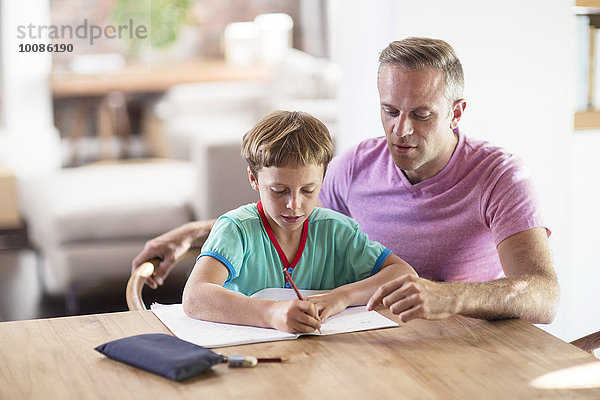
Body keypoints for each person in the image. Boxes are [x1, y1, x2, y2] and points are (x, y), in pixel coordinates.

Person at [133, 37, 559, 325]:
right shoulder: (355, 166)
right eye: (390, 111)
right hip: (375, 340)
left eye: (421, 114)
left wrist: (449, 297)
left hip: (469, 344)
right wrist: (195, 236)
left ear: (457, 112)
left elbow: (544, 296)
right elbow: (296, 222)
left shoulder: (501, 176)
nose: (402, 130)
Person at [181, 110, 416, 333]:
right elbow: (194, 297)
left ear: (323, 179)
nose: (294, 204)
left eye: (308, 190)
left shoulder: (338, 231)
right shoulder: (236, 229)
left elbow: (403, 273)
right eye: (279, 190)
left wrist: (341, 297)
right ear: (254, 178)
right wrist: (272, 314)